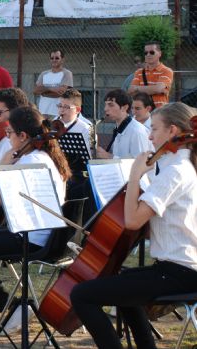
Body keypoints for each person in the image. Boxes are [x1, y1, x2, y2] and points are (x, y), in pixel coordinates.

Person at [71, 102, 197, 349]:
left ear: (172, 131)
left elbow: (133, 220)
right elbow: (157, 223)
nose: (149, 136)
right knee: (123, 288)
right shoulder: (182, 167)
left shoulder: (176, 171)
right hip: (180, 268)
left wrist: (134, 176)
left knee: (82, 295)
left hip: (180, 273)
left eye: (154, 129)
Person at [0, 106, 71, 332]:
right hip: (48, 235)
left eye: (9, 133)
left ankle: (12, 306)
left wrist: (4, 165)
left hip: (32, 237)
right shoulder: (48, 156)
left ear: (23, 136)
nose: (7, 138)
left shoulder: (30, 161)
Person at [96, 89, 152, 159]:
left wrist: (109, 156)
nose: (105, 109)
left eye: (111, 105)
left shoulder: (137, 131)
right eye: (106, 105)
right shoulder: (120, 127)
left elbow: (141, 163)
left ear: (124, 107)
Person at [128, 41, 173, 107]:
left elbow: (158, 89)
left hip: (159, 112)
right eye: (146, 53)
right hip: (142, 111)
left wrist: (137, 88)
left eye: (152, 52)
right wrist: (154, 89)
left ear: (159, 54)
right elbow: (131, 91)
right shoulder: (138, 72)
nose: (148, 55)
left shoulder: (166, 71)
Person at [34, 49, 74, 118]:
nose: (54, 60)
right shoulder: (44, 74)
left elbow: (60, 93)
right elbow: (36, 91)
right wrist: (52, 89)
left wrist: (43, 92)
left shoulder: (67, 73)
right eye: (52, 58)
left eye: (57, 58)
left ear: (62, 60)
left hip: (58, 113)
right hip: (43, 112)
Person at [57, 88, 92, 153]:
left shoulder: (86, 128)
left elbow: (89, 154)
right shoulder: (53, 122)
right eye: (60, 106)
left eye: (66, 107)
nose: (61, 110)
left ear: (77, 110)